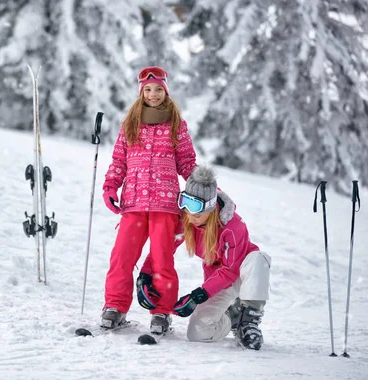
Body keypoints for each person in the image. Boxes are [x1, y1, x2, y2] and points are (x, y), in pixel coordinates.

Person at [100, 66, 197, 334]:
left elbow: (187, 163)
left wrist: (204, 187)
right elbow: (119, 161)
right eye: (148, 90)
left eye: (158, 90)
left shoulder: (177, 125)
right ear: (141, 92)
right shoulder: (130, 124)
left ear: (166, 92)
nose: (153, 94)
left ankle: (162, 312)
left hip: (166, 207)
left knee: (162, 260)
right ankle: (115, 307)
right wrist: (111, 186)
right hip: (133, 204)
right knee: (121, 257)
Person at [142, 164, 271, 350]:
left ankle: (249, 321)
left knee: (258, 258)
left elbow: (230, 270)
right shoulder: (187, 219)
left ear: (210, 207)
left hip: (242, 277)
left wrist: (199, 295)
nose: (189, 212)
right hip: (218, 283)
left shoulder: (233, 228)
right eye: (185, 202)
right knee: (197, 333)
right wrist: (145, 275)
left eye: (195, 206)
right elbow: (164, 249)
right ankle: (233, 316)